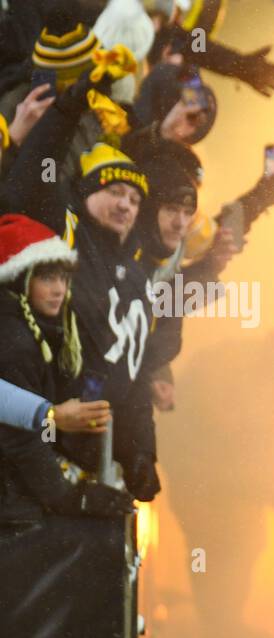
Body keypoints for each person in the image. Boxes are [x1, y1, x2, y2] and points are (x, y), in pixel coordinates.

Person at [1, 48, 163, 501]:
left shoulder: (136, 281)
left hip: (90, 462)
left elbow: (136, 374)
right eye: (114, 190)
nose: (126, 203)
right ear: (85, 194)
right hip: (30, 444)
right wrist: (74, 102)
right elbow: (37, 169)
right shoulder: (63, 230)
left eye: (134, 199)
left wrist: (141, 453)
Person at [0, 212, 135, 524]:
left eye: (63, 278)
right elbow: (19, 437)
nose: (59, 289)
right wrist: (69, 496)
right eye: (47, 278)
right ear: (21, 279)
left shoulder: (41, 332)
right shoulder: (15, 340)